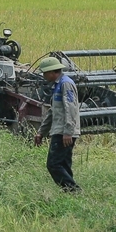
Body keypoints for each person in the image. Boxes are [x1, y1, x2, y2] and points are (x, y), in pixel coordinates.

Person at [34, 57, 82, 192]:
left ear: (52, 72)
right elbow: (53, 110)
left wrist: (68, 132)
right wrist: (41, 131)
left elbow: (71, 108)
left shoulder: (66, 84)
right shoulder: (58, 85)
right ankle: (70, 193)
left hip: (64, 132)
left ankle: (73, 190)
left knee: (53, 164)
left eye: (44, 73)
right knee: (64, 164)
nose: (43, 76)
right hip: (61, 130)